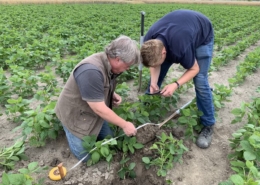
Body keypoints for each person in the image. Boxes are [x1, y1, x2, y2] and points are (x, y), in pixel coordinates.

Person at [55, 35, 140, 161]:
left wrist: (111, 93)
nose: (127, 69)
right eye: (127, 66)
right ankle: (68, 129)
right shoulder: (91, 70)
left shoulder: (107, 62)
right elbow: (99, 108)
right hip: (75, 114)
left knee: (110, 140)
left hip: (92, 111)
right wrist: (124, 124)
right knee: (87, 158)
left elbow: (102, 83)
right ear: (118, 59)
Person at [140, 9, 215, 149]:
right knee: (156, 76)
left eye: (159, 61)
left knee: (200, 80)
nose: (156, 65)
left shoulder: (180, 46)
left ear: (164, 53)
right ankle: (145, 110)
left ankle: (208, 124)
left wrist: (176, 84)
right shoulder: (149, 42)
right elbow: (153, 64)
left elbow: (194, 69)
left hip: (202, 34)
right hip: (180, 28)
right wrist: (154, 83)